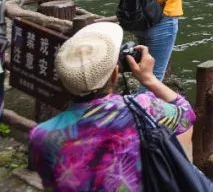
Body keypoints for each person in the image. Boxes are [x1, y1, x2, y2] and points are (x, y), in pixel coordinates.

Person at [29, 23, 197, 192]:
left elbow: (51, 183)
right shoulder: (143, 107)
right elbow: (186, 114)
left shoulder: (41, 135)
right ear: (116, 74)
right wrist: (149, 79)